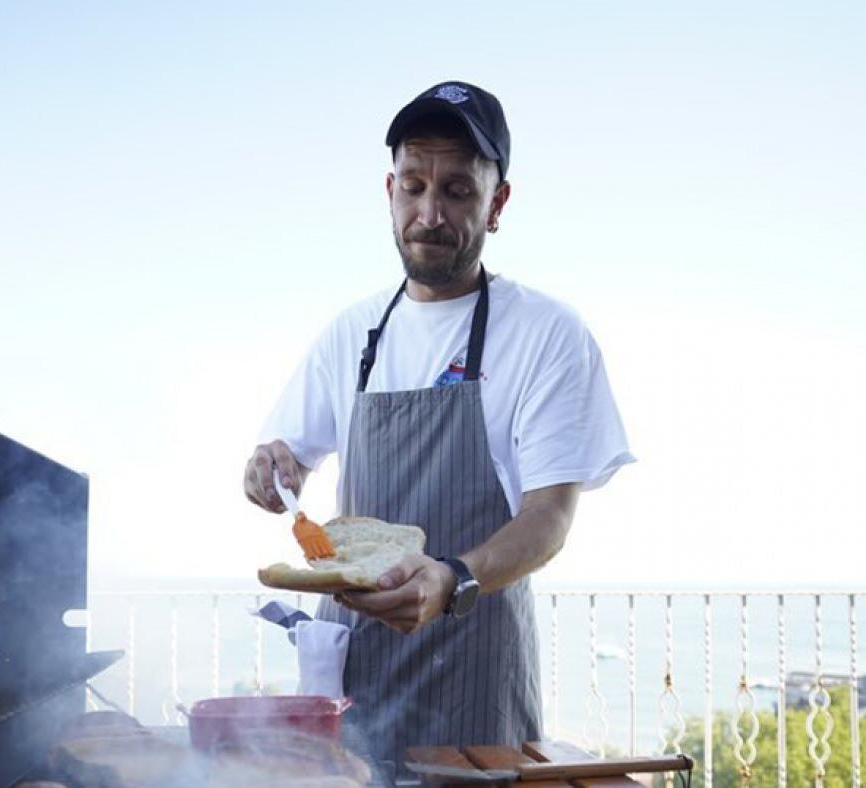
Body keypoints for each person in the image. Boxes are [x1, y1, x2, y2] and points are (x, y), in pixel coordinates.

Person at [242, 81, 633, 764]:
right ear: (388, 191)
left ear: (497, 203)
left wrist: (451, 580)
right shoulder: (353, 332)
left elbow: (549, 518)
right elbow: (288, 462)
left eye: (456, 190)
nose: (429, 213)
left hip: (474, 681)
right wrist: (271, 469)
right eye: (413, 186)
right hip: (356, 679)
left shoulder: (546, 334)